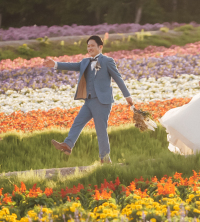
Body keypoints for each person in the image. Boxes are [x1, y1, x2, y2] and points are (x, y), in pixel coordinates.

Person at [42, 35, 134, 164]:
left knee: (100, 130)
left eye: (92, 45)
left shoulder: (107, 61)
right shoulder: (85, 62)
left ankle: (105, 158)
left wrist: (127, 96)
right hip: (89, 100)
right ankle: (67, 145)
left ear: (100, 47)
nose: (89, 48)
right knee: (78, 122)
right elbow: (71, 66)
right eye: (88, 46)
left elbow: (118, 78)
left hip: (102, 101)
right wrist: (55, 64)